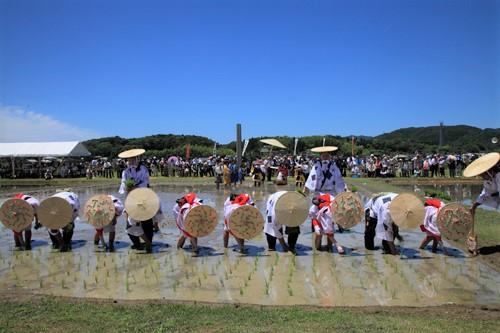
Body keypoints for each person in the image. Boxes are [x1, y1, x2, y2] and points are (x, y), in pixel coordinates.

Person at [118, 148, 157, 252]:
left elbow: (146, 182)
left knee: (147, 222)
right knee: (130, 225)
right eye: (129, 160)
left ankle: (149, 242)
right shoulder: (125, 172)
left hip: (143, 197)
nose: (131, 162)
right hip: (131, 200)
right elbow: (123, 185)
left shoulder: (143, 169)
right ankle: (137, 244)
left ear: (137, 159)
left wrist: (135, 187)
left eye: (133, 159)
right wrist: (127, 187)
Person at [304, 146, 347, 232]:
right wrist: (306, 190)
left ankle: (331, 232)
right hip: (318, 193)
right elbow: (311, 180)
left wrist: (343, 191)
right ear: (320, 156)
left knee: (331, 212)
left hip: (330, 194)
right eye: (323, 156)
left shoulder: (334, 167)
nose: (325, 157)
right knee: (315, 212)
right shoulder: (316, 167)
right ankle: (315, 230)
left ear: (330, 156)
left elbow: (339, 181)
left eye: (327, 155)